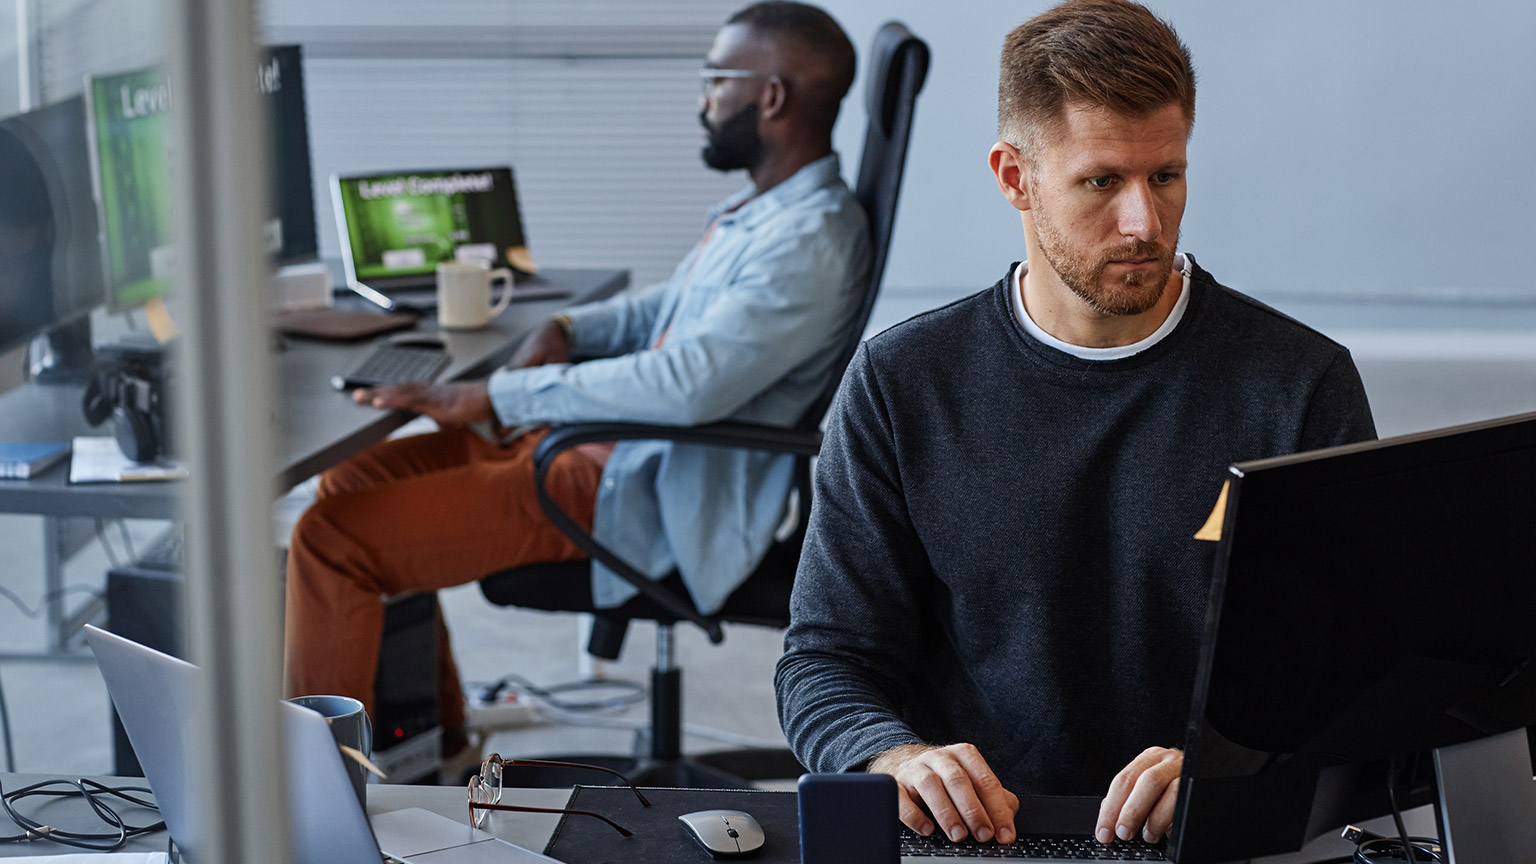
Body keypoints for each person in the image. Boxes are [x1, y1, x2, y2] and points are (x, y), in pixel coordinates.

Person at [774, 0, 1376, 851]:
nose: (1145, 223)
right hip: (980, 837)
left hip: (1211, 830)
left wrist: (1237, 760)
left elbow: (1352, 668)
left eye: (1166, 177)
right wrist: (891, 754)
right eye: (1102, 182)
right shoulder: (901, 383)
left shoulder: (1299, 384)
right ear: (1014, 177)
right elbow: (827, 659)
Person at [284, 0, 870, 761]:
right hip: (591, 448)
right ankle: (441, 742)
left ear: (771, 97)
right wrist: (568, 330)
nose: (702, 101)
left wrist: (493, 396)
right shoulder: (770, 211)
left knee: (330, 541)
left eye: (715, 80)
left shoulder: (810, 241)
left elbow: (684, 386)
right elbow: (667, 310)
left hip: (633, 490)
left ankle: (311, 805)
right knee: (346, 485)